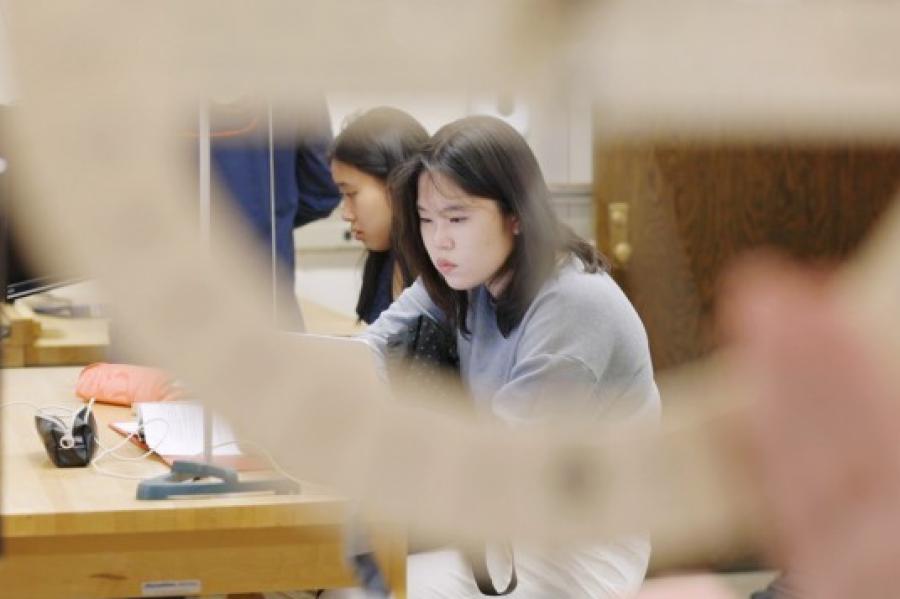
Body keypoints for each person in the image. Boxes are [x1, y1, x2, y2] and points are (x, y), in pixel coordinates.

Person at [325, 115, 661, 598]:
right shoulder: (468, 273)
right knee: (331, 571)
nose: (438, 238)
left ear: (516, 214)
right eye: (425, 219)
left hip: (579, 554)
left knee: (354, 589)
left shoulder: (573, 303)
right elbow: (370, 349)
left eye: (457, 218)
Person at [330, 107, 429, 323]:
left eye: (351, 193)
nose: (346, 214)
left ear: (397, 183)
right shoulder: (384, 261)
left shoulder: (447, 277)